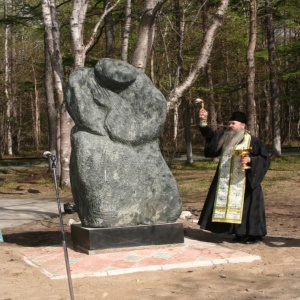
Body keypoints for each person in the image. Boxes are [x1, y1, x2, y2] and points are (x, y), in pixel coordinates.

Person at [198, 107, 270, 244]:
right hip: (226, 180)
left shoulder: (253, 141)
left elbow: (265, 158)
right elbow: (209, 136)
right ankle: (237, 233)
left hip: (246, 181)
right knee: (230, 207)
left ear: (243, 126)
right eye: (229, 123)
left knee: (247, 208)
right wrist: (203, 121)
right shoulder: (224, 138)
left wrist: (251, 160)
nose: (230, 126)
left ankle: (252, 235)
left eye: (233, 123)